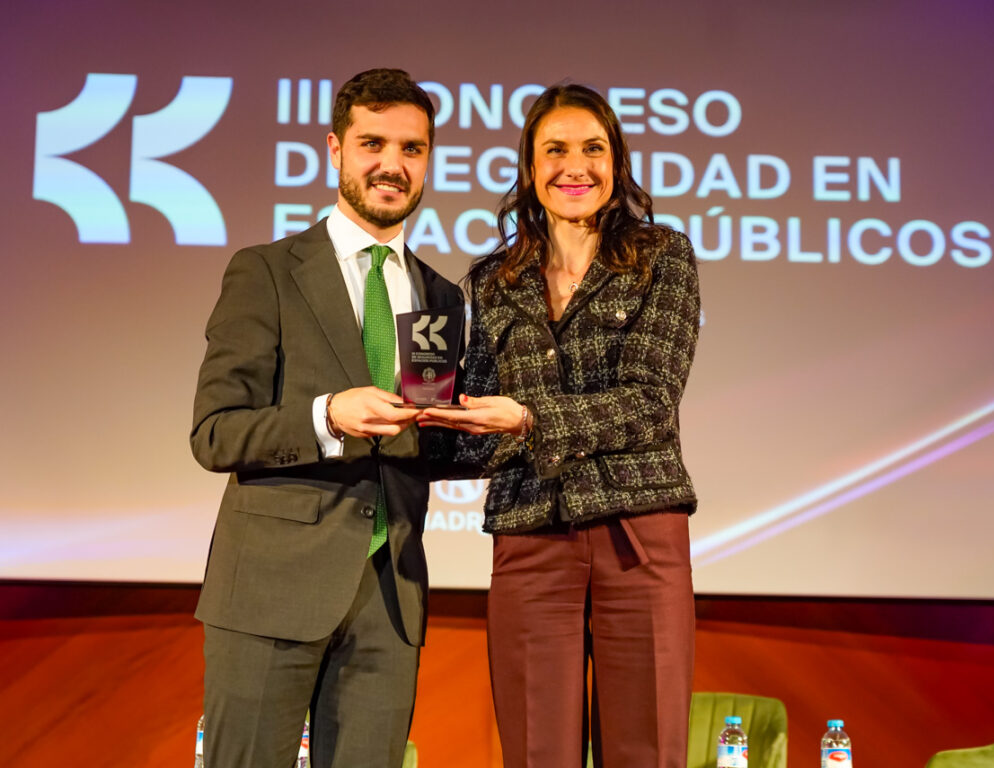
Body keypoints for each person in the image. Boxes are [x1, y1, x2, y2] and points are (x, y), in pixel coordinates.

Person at [418, 83, 701, 768]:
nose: (575, 167)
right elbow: (481, 422)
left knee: (646, 750)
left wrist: (528, 418)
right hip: (530, 531)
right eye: (555, 151)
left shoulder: (662, 257)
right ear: (529, 167)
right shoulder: (495, 280)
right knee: (536, 749)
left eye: (592, 149)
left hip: (639, 532)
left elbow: (651, 401)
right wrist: (414, 420)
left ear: (617, 162)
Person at [190, 68, 462, 768]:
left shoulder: (441, 296)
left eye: (412, 148)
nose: (392, 164)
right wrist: (327, 416)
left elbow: (426, 444)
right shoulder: (267, 272)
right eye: (373, 143)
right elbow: (216, 432)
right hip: (270, 589)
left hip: (389, 599)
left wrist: (498, 424)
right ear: (336, 149)